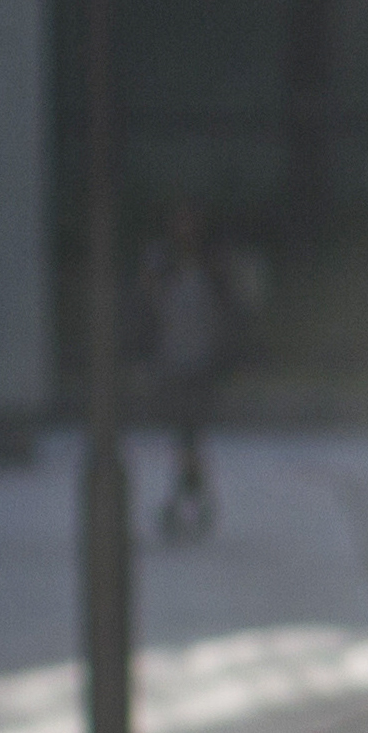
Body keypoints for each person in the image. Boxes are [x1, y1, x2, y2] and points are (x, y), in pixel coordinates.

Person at [142, 214, 232, 542]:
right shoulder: (167, 269)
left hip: (198, 366)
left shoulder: (207, 270)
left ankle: (185, 499)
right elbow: (152, 308)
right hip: (175, 364)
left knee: (188, 437)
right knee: (186, 439)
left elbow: (221, 315)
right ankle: (190, 498)